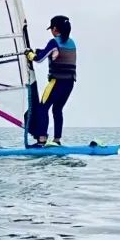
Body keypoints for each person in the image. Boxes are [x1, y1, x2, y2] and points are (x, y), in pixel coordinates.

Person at [25, 15, 76, 147]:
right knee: (57, 110)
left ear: (55, 29)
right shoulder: (71, 43)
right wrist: (39, 51)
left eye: (51, 29)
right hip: (69, 84)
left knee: (42, 108)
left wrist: (29, 54)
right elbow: (53, 53)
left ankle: (41, 139)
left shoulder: (54, 42)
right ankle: (57, 140)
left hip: (56, 83)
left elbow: (39, 59)